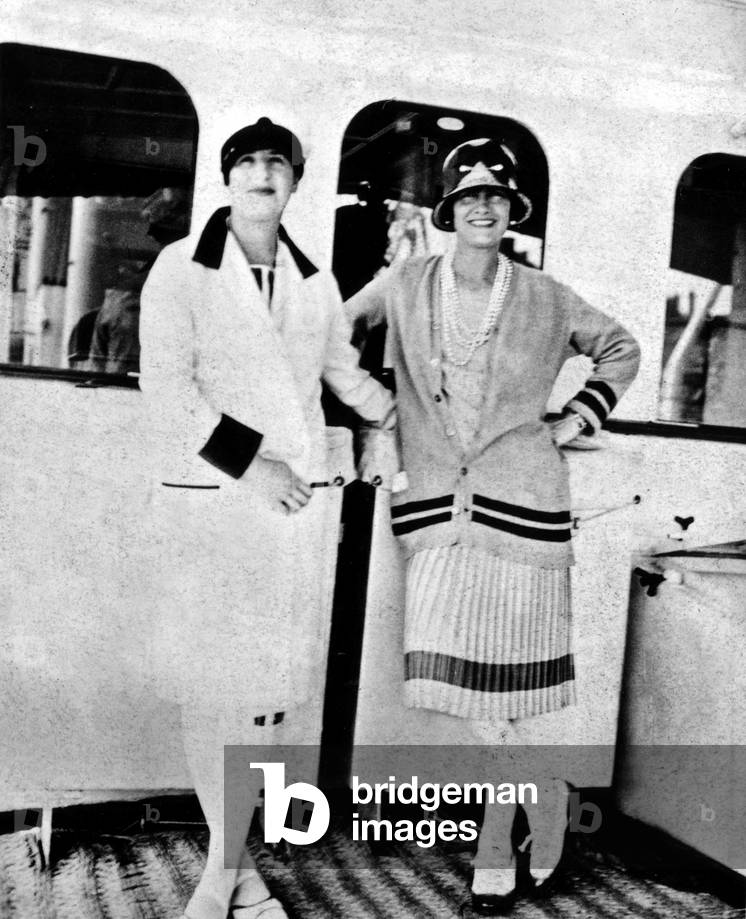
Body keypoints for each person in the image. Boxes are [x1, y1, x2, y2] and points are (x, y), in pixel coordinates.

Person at [346, 137, 640, 914]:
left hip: (526, 509)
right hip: (437, 512)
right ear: (447, 210)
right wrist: (377, 415)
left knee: (514, 693)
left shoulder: (544, 294)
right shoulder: (403, 282)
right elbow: (329, 338)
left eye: (498, 197)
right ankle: (543, 811)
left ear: (513, 211)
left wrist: (580, 415)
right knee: (476, 697)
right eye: (469, 194)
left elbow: (620, 348)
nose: (484, 206)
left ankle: (497, 839)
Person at [138, 117, 395, 919]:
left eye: (276, 164)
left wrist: (401, 417)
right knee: (211, 690)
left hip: (284, 516)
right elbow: (169, 388)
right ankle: (229, 873)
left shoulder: (314, 283)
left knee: (260, 696)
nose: (261, 175)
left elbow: (343, 374)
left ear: (293, 181)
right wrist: (257, 463)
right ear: (227, 178)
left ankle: (227, 873)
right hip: (216, 500)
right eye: (247, 162)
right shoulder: (180, 268)